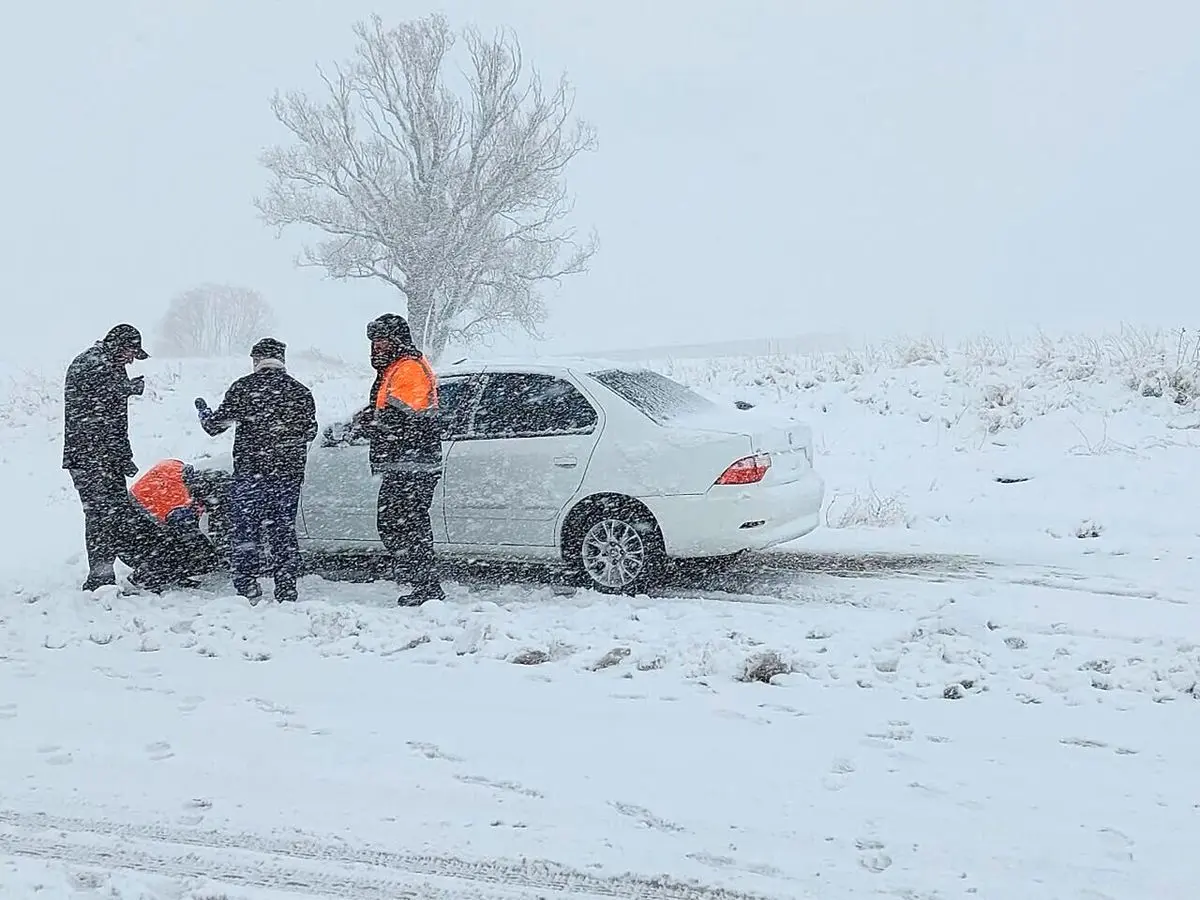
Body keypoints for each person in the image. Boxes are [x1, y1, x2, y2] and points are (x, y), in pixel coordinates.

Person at [194, 338, 317, 603]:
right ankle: (286, 586)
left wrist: (204, 412)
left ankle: (247, 584)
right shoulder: (301, 391)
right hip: (288, 475)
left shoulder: (244, 387)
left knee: (245, 530)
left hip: (251, 474)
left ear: (255, 361)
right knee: (283, 530)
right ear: (282, 359)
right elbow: (311, 431)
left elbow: (215, 426)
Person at [358, 313, 445, 606]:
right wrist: (369, 417)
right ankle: (418, 576)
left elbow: (401, 419)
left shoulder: (408, 369)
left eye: (380, 340)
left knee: (407, 524)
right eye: (372, 342)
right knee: (399, 523)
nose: (375, 347)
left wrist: (370, 424)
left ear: (395, 340)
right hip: (405, 462)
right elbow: (390, 412)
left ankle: (425, 583)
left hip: (413, 463)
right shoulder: (396, 368)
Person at [62, 323, 150, 592]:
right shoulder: (91, 363)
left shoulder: (109, 364)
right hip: (89, 458)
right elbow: (97, 409)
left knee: (118, 512)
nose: (132, 359)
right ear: (116, 345)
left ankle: (144, 566)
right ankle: (100, 577)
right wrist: (127, 388)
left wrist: (122, 456)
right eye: (130, 352)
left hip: (106, 456)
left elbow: (113, 419)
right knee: (101, 515)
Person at [128, 458, 226, 583]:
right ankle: (145, 578)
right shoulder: (180, 506)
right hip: (140, 524)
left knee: (176, 543)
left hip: (129, 509)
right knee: (197, 555)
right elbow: (192, 538)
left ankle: (154, 572)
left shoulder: (176, 468)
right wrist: (215, 556)